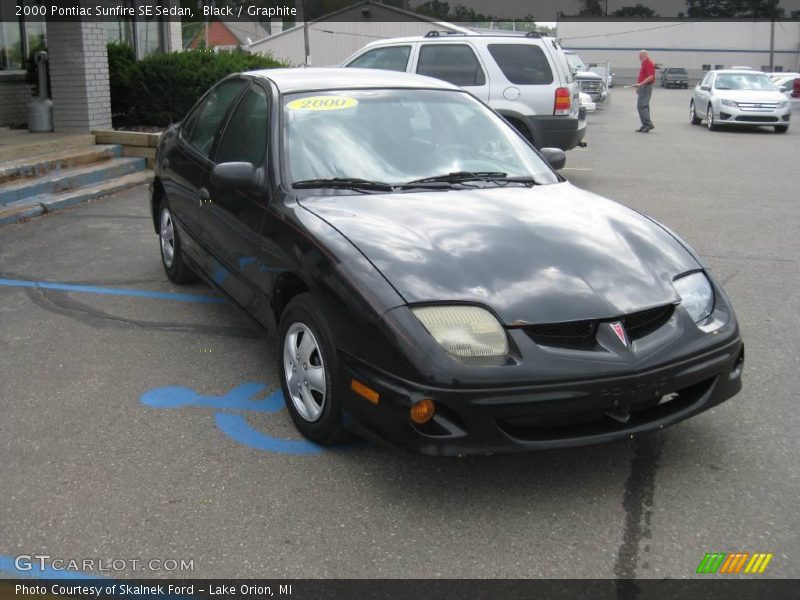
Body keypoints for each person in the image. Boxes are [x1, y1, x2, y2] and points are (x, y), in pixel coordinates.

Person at [633, 50, 656, 132]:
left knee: (642, 106)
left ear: (643, 55)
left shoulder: (648, 63)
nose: (639, 58)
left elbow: (650, 77)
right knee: (643, 106)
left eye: (640, 56)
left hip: (646, 87)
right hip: (643, 87)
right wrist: (639, 86)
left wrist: (640, 84)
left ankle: (648, 124)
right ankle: (645, 124)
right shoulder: (644, 64)